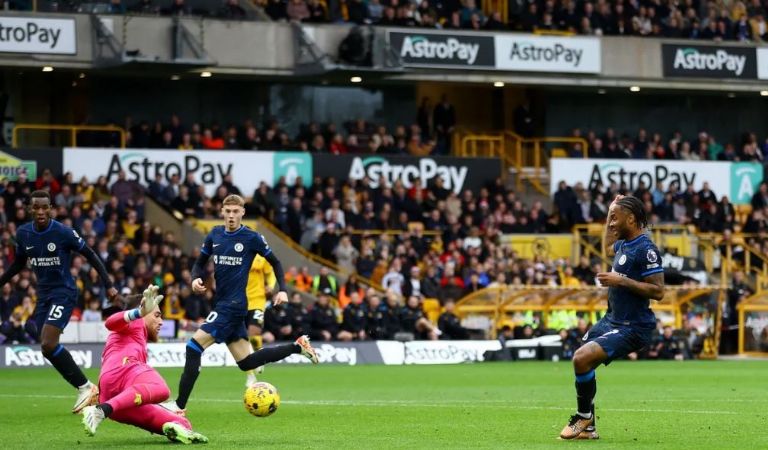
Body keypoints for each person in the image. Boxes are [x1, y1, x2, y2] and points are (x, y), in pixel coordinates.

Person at [166, 195, 319, 414]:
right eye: (227, 211)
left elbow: (275, 262)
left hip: (233, 305)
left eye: (235, 212)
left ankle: (179, 406)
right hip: (223, 303)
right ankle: (297, 346)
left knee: (193, 346)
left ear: (242, 213)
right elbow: (199, 263)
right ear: (221, 211)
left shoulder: (251, 238)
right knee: (247, 362)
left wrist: (283, 290)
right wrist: (194, 279)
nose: (231, 216)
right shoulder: (214, 235)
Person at [0, 190, 117, 413]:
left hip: (64, 291)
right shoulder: (24, 234)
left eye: (45, 207)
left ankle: (86, 388)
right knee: (44, 345)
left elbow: (90, 254)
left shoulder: (63, 232)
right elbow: (17, 265)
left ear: (51, 208)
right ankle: (85, 387)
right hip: (43, 295)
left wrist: (108, 284)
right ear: (30, 209)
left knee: (48, 343)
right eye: (36, 207)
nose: (41, 211)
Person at [559, 195, 664, 440]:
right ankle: (589, 427)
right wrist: (609, 211)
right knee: (582, 361)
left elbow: (659, 291)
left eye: (615, 218)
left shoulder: (646, 249)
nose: (611, 223)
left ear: (631, 218)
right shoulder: (623, 245)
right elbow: (607, 247)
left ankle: (583, 418)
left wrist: (621, 281)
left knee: (581, 358)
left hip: (633, 326)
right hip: (612, 320)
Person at [82, 286, 208, 444]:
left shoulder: (136, 338)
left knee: (182, 423)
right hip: (121, 374)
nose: (161, 322)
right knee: (161, 388)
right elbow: (110, 322)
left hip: (113, 399)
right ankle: (101, 411)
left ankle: (173, 426)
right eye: (157, 315)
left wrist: (164, 409)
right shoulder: (136, 323)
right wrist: (138, 314)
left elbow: (139, 392)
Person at [244, 254, 276, 387]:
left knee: (254, 333)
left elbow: (270, 273)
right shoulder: (236, 253)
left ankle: (259, 357)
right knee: (242, 338)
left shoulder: (260, 257)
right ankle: (250, 375)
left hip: (258, 300)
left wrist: (271, 285)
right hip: (239, 300)